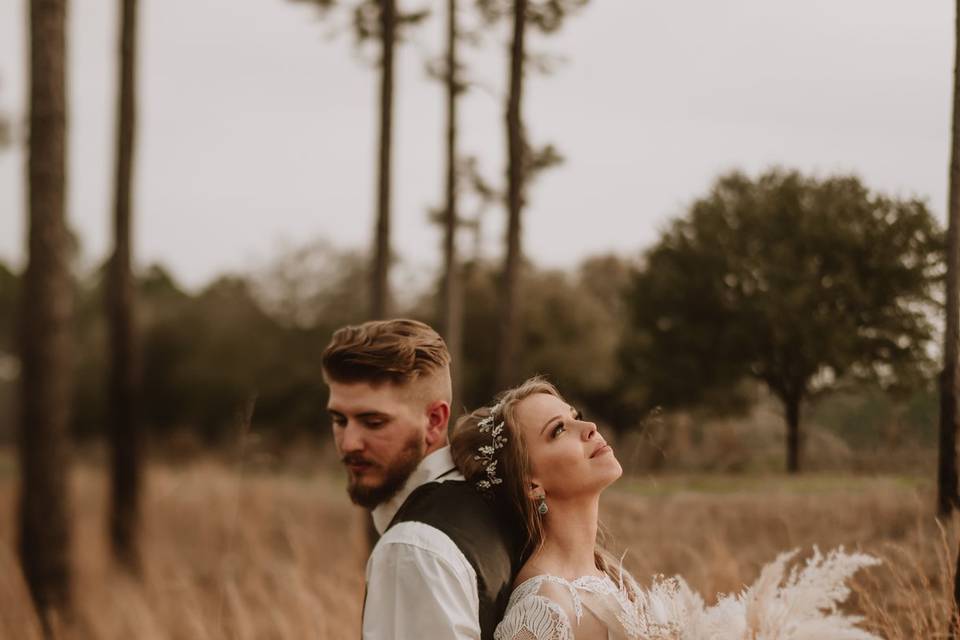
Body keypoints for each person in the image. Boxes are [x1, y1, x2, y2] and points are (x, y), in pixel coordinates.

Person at [450, 377, 882, 640]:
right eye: (559, 429)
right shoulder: (543, 608)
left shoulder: (609, 576)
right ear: (531, 483)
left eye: (576, 415)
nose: (589, 427)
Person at [323, 319, 525, 640]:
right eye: (339, 419)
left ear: (434, 420)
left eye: (373, 422)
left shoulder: (412, 549)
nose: (349, 443)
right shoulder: (489, 499)